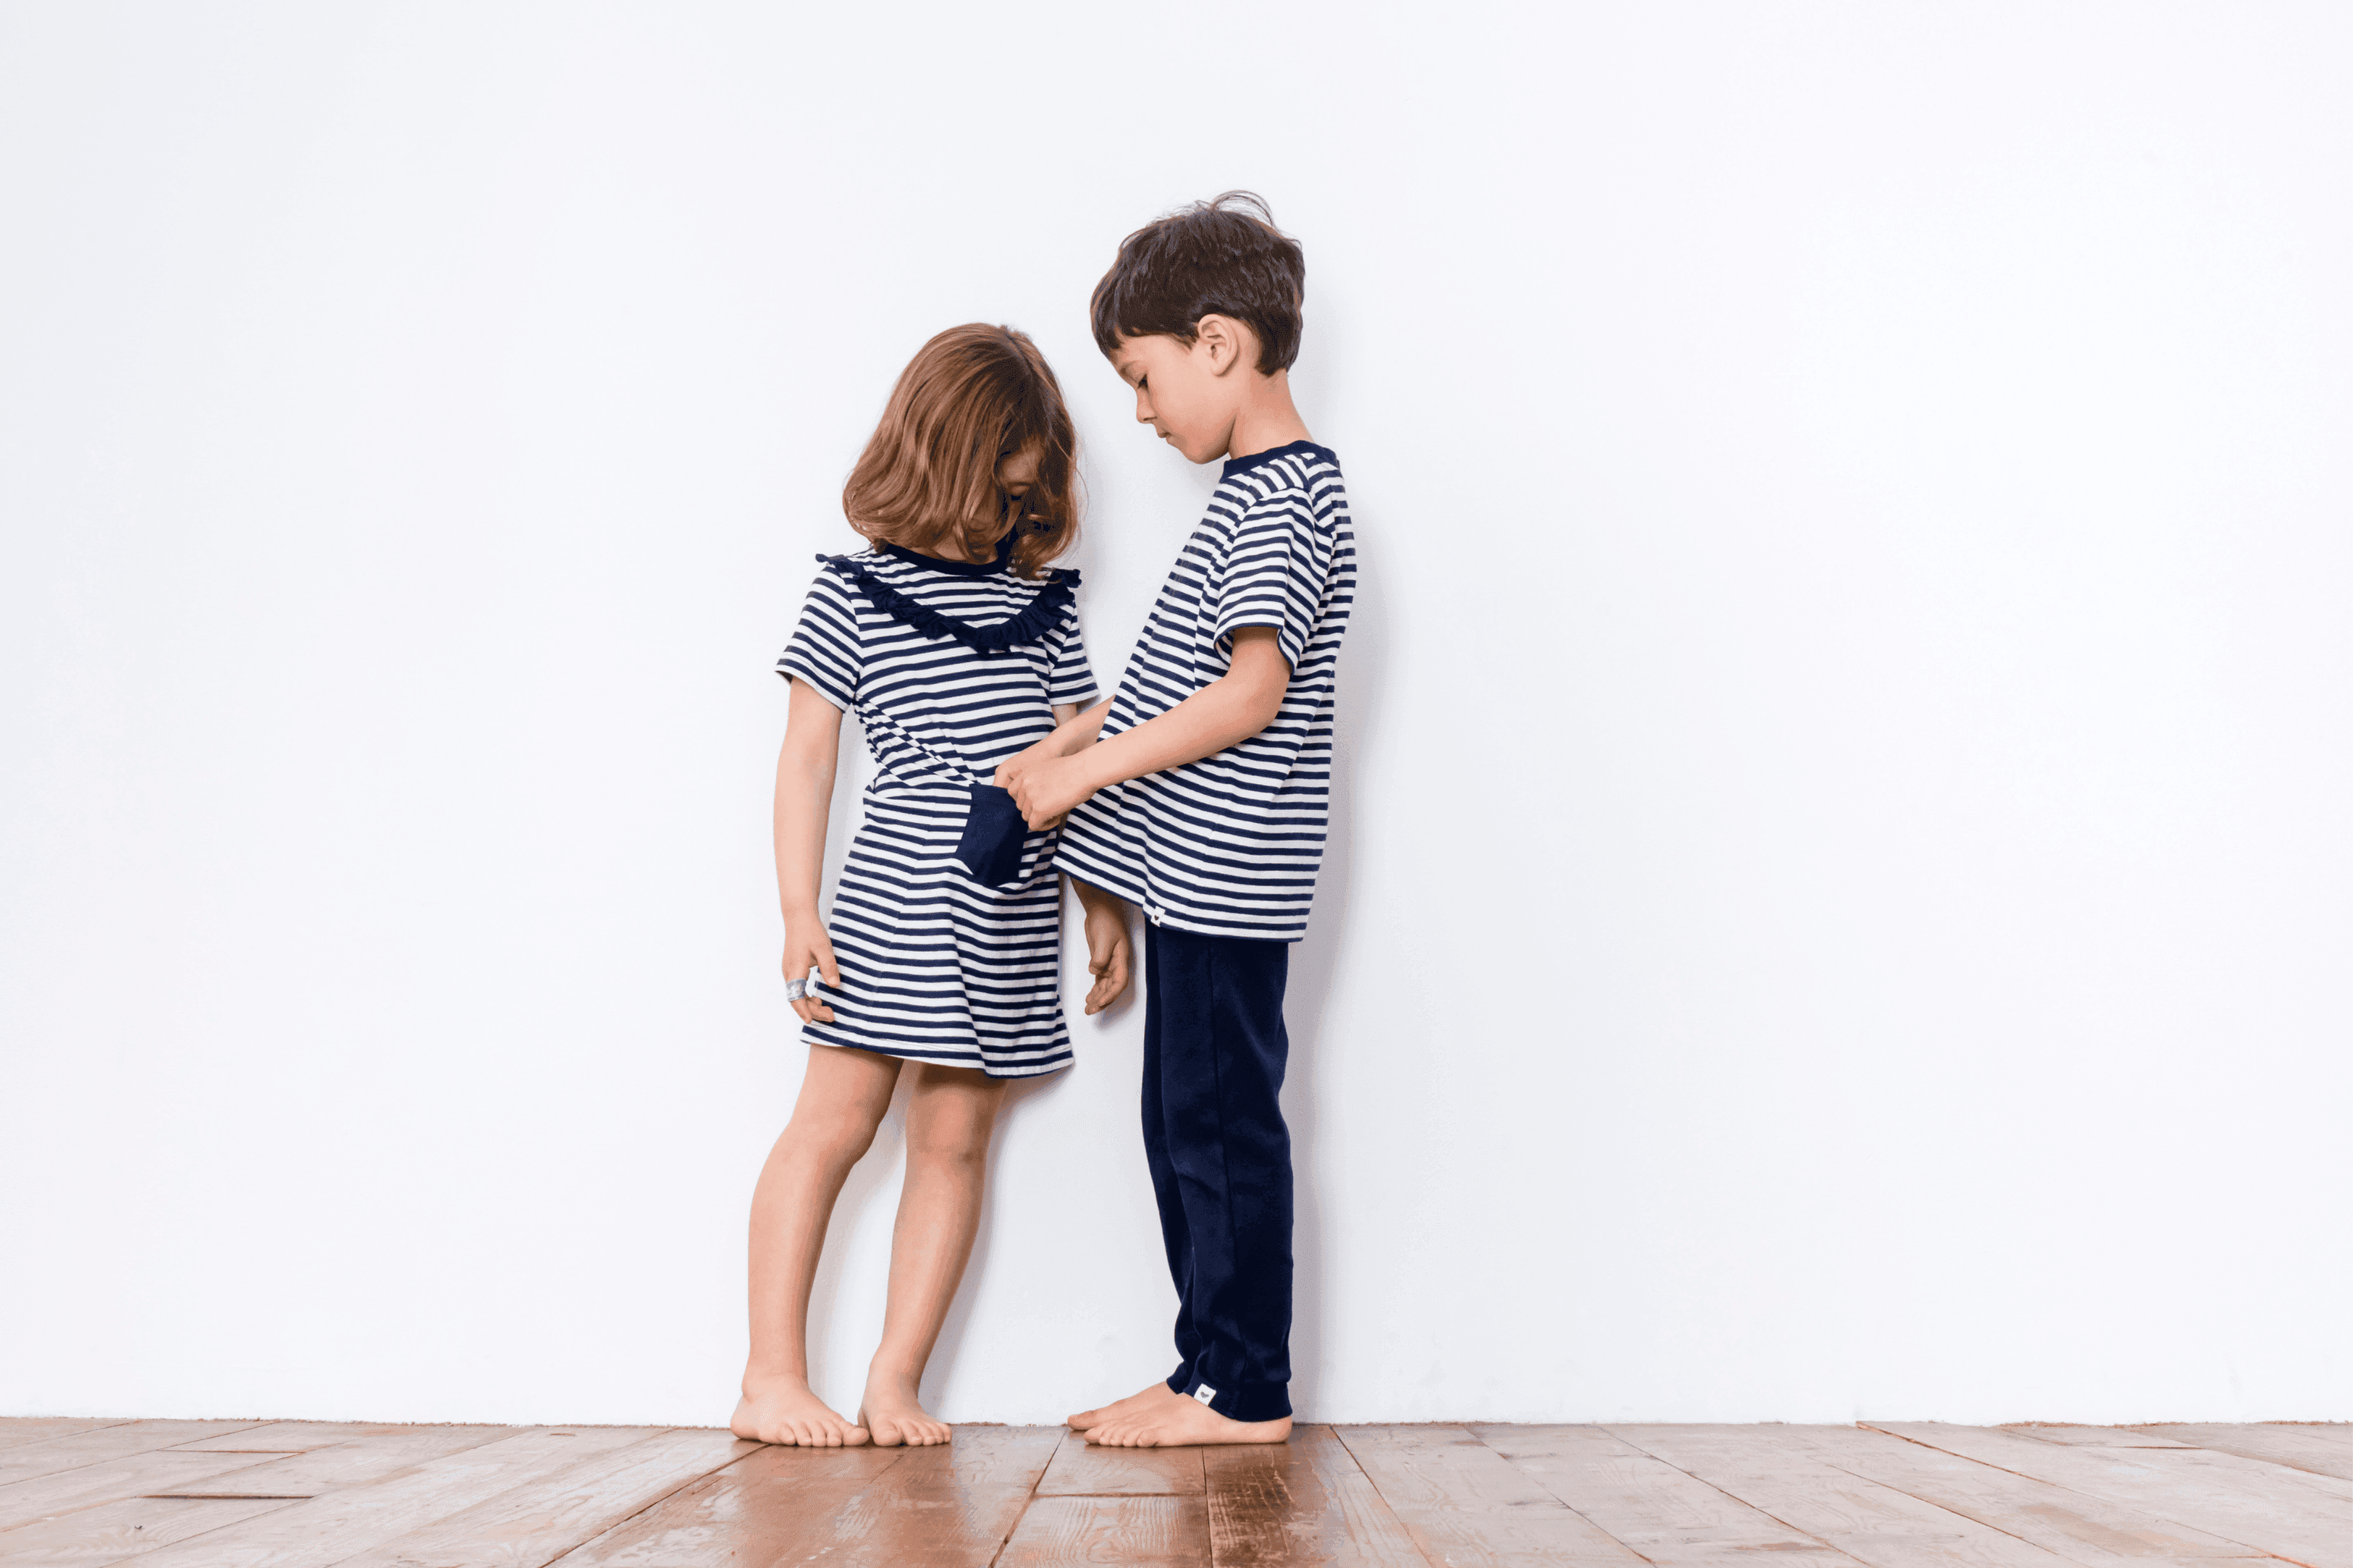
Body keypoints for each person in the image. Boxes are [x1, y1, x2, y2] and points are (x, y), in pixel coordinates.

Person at [733, 324, 1134, 1449]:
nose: (1012, 517)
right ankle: (769, 1375)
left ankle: (893, 1380)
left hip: (1008, 909)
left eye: (1026, 497)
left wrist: (1103, 904)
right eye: (997, 492)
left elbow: (1074, 757)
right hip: (890, 907)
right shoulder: (852, 595)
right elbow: (808, 755)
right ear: (942, 459)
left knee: (955, 1142)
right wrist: (797, 910)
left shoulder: (1048, 609)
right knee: (833, 1126)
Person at [999, 193, 1355, 1447]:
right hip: (1195, 878)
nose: (1140, 415)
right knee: (1182, 1126)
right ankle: (1203, 1362)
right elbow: (1181, 681)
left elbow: (1248, 693)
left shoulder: (1283, 501)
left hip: (1229, 876)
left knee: (1217, 1127)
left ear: (1217, 343)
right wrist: (1079, 740)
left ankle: (1245, 1385)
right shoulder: (1257, 497)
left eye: (1143, 381)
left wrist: (1076, 779)